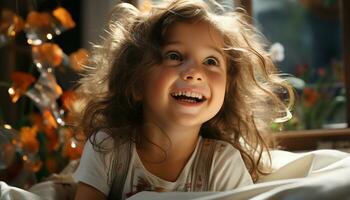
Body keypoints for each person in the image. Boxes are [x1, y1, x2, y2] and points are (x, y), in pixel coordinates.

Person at [73, 0, 294, 199]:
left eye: (210, 61)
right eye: (174, 56)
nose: (195, 72)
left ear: (227, 90)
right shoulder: (108, 148)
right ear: (136, 83)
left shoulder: (222, 162)